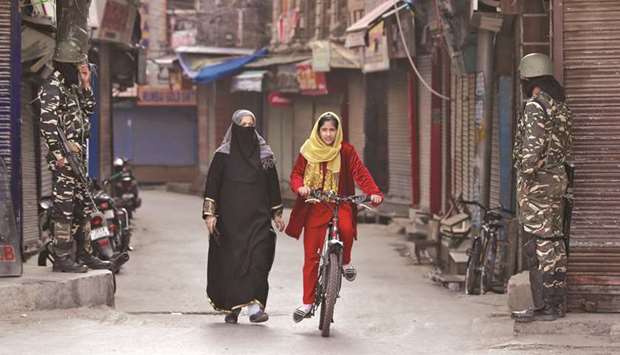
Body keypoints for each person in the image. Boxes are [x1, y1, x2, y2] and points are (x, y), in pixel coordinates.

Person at [285, 112, 383, 322]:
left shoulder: (345, 150)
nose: (328, 134)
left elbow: (360, 172)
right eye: (324, 130)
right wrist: (300, 187)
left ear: (337, 131)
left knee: (347, 230)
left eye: (332, 130)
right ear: (318, 131)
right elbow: (296, 174)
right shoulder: (307, 150)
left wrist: (373, 192)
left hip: (341, 202)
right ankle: (307, 302)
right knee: (311, 256)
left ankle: (345, 262)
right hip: (315, 205)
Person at [202, 109, 286, 324]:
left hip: (258, 217)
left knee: (258, 259)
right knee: (232, 263)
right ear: (235, 127)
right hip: (230, 220)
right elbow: (212, 186)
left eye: (251, 125)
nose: (247, 129)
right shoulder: (222, 155)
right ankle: (233, 307)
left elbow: (272, 185)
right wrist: (210, 215)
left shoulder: (265, 155)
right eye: (243, 125)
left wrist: (277, 213)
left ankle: (255, 308)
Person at [511, 53, 573, 322]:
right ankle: (554, 304)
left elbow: (531, 152)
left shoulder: (536, 106)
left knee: (540, 244)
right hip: (557, 180)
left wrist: (525, 175)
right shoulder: (558, 106)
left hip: (538, 186)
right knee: (554, 241)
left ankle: (545, 306)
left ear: (528, 79)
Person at [39, 60, 112, 273]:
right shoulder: (53, 86)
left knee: (83, 206)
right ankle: (62, 256)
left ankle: (84, 253)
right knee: (64, 208)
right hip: (64, 159)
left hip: (77, 158)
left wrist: (86, 83)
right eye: (79, 68)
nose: (82, 71)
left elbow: (89, 109)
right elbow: (47, 122)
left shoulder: (72, 88)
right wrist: (58, 153)